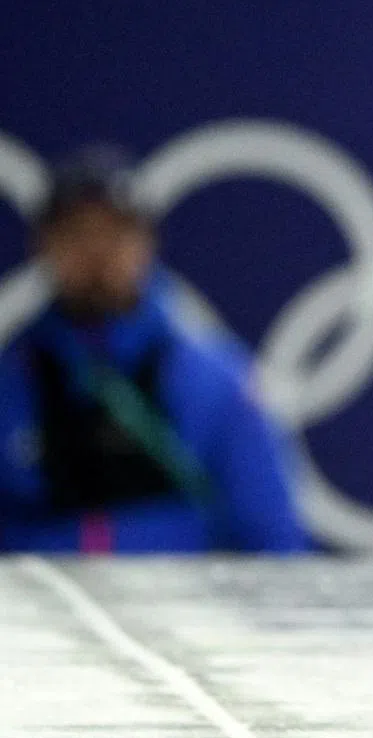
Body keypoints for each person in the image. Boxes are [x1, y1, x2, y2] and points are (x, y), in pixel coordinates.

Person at [0, 145, 308, 552]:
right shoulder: (10, 384)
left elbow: (273, 539)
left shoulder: (214, 380)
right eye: (76, 233)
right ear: (42, 245)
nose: (96, 253)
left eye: (114, 233)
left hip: (190, 610)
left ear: (147, 242)